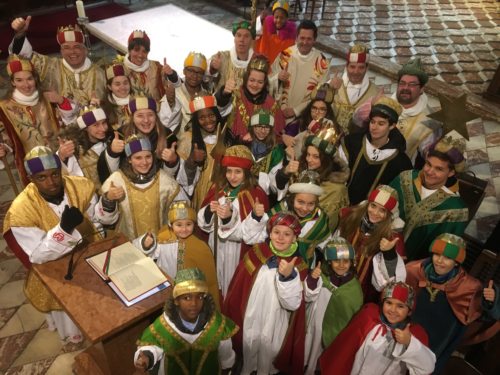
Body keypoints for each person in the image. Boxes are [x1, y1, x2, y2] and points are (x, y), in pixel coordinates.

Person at [3, 146, 103, 345]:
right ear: (31, 178)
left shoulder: (81, 186)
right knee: (70, 318)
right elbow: (38, 256)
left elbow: (97, 220)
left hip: (87, 255)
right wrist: (64, 229)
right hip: (54, 269)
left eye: (55, 174)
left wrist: (107, 207)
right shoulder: (21, 211)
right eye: (42, 177)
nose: (51, 183)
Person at [224, 212, 308, 375]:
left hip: (276, 319)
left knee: (269, 350)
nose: (281, 238)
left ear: (295, 238)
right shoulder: (256, 253)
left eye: (287, 234)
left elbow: (292, 304)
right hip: (251, 315)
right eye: (276, 232)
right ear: (270, 233)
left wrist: (288, 277)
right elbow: (238, 288)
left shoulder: (299, 266)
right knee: (249, 343)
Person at [405, 233, 497, 373]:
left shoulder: (469, 287)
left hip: (438, 338)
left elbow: (482, 317)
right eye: (437, 254)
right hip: (409, 330)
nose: (440, 261)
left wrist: (490, 302)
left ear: (456, 262)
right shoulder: (414, 270)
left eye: (448, 257)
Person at [134, 268, 237, 374]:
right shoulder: (164, 326)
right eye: (187, 298)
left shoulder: (217, 324)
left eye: (200, 297)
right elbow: (152, 347)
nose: (194, 304)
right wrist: (146, 358)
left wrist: (227, 367)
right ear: (176, 300)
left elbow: (226, 355)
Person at [197, 145, 269, 297]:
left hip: (236, 251)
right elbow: (203, 224)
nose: (232, 176)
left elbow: (249, 235)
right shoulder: (217, 189)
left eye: (238, 172)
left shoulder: (255, 194)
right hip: (214, 244)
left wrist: (229, 217)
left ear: (246, 173)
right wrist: (209, 211)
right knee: (214, 283)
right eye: (229, 171)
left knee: (231, 286)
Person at [320, 281, 436, 375]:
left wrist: (409, 342)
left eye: (400, 306)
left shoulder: (414, 334)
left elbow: (427, 367)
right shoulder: (369, 317)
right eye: (389, 303)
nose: (393, 310)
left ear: (409, 311)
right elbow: (345, 347)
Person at [390, 136, 469, 261]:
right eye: (428, 164)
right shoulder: (404, 178)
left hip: (409, 267)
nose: (430, 171)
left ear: (451, 173)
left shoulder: (455, 210)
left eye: (439, 169)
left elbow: (442, 254)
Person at [134, 201, 220, 309]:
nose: (184, 229)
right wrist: (147, 245)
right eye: (179, 225)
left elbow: (209, 279)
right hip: (167, 289)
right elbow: (150, 254)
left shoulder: (200, 246)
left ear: (194, 224)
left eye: (188, 224)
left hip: (189, 294)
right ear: (171, 224)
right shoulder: (164, 237)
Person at [96, 135, 183, 240]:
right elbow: (105, 220)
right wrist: (108, 199)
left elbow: (181, 214)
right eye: (138, 158)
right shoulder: (116, 181)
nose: (144, 162)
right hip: (128, 245)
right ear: (129, 159)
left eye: (148, 156)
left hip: (160, 244)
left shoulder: (166, 181)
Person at [0, 55, 69, 185]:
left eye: (29, 79)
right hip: (31, 166)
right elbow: (8, 138)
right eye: (19, 80)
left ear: (35, 79)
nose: (26, 85)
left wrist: (61, 101)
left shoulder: (48, 98)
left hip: (60, 158)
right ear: (12, 82)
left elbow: (66, 122)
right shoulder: (4, 107)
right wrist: (3, 147)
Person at [10, 17, 105, 105]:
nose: (72, 52)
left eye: (77, 47)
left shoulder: (101, 74)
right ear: (61, 51)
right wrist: (20, 34)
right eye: (66, 48)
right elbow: (22, 57)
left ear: (85, 50)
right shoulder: (48, 66)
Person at [336, 185, 406, 303]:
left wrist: (389, 253)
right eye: (373, 206)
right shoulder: (351, 218)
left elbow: (393, 280)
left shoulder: (392, 237)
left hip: (361, 293)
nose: (375, 213)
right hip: (335, 280)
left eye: (382, 210)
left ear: (390, 214)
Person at [303, 237, 363, 375]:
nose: (341, 265)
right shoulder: (321, 277)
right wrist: (313, 279)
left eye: (346, 261)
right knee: (309, 350)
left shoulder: (354, 289)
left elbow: (352, 314)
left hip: (335, 331)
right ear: (329, 262)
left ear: (352, 262)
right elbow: (308, 295)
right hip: (314, 324)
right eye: (336, 261)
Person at [340, 96, 413, 205]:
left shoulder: (401, 162)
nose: (374, 127)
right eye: (372, 122)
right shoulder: (352, 143)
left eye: (381, 123)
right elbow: (338, 174)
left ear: (392, 126)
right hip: (340, 203)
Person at [276, 122, 349, 231]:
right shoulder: (299, 172)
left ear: (325, 160)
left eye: (316, 157)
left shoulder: (336, 189)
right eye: (308, 155)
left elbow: (330, 225)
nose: (309, 160)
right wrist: (285, 172)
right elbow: (280, 193)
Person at [97, 95, 179, 183]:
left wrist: (173, 161)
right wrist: (112, 152)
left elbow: (170, 181)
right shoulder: (120, 136)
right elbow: (110, 176)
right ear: (132, 117)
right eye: (140, 116)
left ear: (156, 116)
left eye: (150, 115)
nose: (146, 120)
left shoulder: (167, 136)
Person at [176, 95, 233, 211]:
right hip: (201, 193)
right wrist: (192, 161)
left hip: (225, 190)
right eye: (202, 118)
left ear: (217, 115)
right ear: (196, 121)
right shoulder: (188, 139)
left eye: (211, 115)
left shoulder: (226, 136)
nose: (208, 121)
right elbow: (182, 181)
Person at [269, 20, 330, 124]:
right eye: (302, 38)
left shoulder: (321, 63)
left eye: (309, 39)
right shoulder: (285, 55)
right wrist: (277, 77)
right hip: (279, 112)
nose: (305, 42)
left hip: (304, 117)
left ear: (314, 40)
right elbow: (268, 82)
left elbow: (320, 94)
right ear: (296, 38)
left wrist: (296, 110)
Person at [268, 170, 330, 266]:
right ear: (292, 199)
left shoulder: (320, 220)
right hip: (273, 260)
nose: (305, 208)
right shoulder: (280, 211)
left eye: (311, 204)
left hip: (302, 265)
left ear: (316, 203)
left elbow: (326, 243)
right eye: (300, 202)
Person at [220, 55, 286, 144]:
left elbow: (277, 135)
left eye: (260, 82)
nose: (255, 85)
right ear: (246, 79)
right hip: (234, 149)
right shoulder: (235, 96)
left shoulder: (272, 104)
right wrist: (224, 94)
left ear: (265, 83)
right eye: (252, 80)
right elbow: (220, 110)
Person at [394, 58, 440, 164]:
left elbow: (428, 154)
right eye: (402, 83)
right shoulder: (385, 103)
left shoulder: (430, 120)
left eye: (412, 84)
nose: (405, 87)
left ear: (422, 89)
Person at [57, 105, 113, 192]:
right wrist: (62, 157)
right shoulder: (74, 148)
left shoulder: (112, 140)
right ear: (85, 128)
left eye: (104, 123)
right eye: (96, 125)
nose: (103, 128)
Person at [330, 43, 378, 134]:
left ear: (367, 68)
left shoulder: (375, 93)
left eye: (361, 68)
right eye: (352, 67)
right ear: (346, 66)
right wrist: (329, 89)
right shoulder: (332, 84)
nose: (356, 72)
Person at [124, 30, 180, 101]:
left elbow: (176, 87)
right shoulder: (120, 69)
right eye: (136, 50)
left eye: (144, 51)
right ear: (129, 50)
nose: (140, 55)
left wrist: (171, 74)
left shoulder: (156, 67)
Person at [208, 20, 255, 92]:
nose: (242, 40)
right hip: (222, 102)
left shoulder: (256, 63)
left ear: (252, 40)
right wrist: (212, 67)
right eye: (238, 35)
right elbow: (205, 73)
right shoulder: (223, 57)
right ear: (234, 39)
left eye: (246, 36)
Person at [100, 60, 134, 130]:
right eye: (117, 84)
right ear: (109, 87)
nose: (123, 87)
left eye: (125, 83)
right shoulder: (103, 107)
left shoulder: (139, 101)